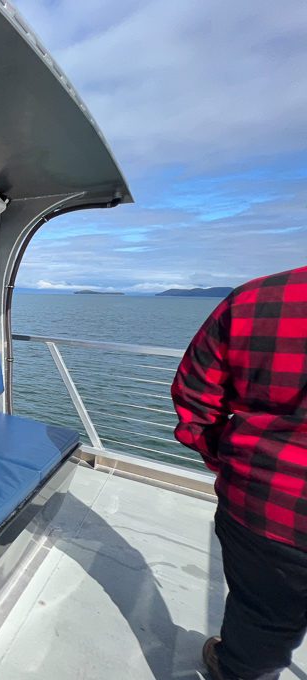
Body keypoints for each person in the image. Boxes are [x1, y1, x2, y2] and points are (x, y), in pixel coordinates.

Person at [171, 265, 307, 680]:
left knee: (260, 626)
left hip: (268, 509)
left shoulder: (257, 298)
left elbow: (194, 400)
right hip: (269, 508)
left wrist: (232, 464)